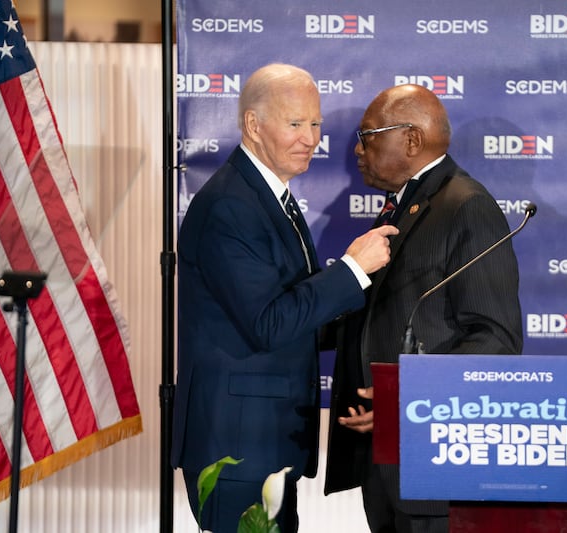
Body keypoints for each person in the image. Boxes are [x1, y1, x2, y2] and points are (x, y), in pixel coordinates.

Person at [171, 63, 398, 533]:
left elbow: (301, 318)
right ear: (254, 125)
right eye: (295, 123)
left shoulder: (271, 195)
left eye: (314, 123)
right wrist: (353, 270)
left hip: (265, 445)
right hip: (236, 449)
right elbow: (271, 323)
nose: (311, 137)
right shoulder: (230, 206)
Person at [324, 84, 524, 533]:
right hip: (386, 460)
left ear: (411, 139)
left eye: (368, 134)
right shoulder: (399, 206)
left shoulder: (467, 207)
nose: (358, 148)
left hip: (434, 459)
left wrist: (406, 398)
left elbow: (497, 339)